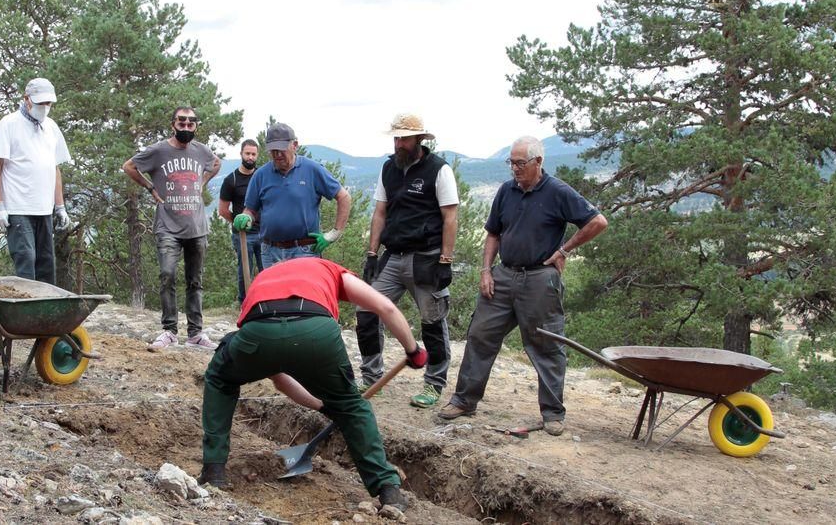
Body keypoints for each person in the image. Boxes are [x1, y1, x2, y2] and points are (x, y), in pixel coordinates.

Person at [199, 256, 427, 511]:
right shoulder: (332, 270)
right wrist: (413, 350)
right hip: (317, 335)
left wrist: (321, 406)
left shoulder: (266, 277)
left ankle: (213, 471)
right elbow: (385, 307)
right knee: (351, 406)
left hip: (259, 334)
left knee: (220, 378)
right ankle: (388, 491)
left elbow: (278, 376)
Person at [437, 136, 608, 436]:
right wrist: (485, 271)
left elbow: (597, 222)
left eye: (520, 163)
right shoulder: (506, 191)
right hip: (503, 276)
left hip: (540, 279)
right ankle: (464, 400)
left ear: (538, 162)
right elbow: (493, 233)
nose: (515, 169)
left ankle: (553, 414)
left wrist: (564, 250)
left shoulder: (557, 192)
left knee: (547, 345)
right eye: (511, 163)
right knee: (480, 336)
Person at [357, 113, 458, 409]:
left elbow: (450, 216)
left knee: (432, 320)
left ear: (419, 140)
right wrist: (372, 254)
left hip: (426, 258)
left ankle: (434, 384)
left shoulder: (439, 170)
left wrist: (445, 260)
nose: (399, 143)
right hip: (393, 255)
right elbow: (379, 212)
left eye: (404, 138)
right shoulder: (389, 168)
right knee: (366, 310)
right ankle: (371, 376)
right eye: (396, 138)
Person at [122, 106, 221, 351]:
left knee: (195, 281)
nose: (186, 127)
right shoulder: (158, 150)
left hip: (197, 226)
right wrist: (150, 189)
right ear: (173, 124)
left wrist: (202, 182)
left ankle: (196, 333)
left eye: (191, 123)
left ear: (196, 125)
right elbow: (129, 167)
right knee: (167, 275)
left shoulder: (201, 151)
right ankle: (169, 330)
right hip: (167, 227)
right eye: (181, 122)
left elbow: (216, 163)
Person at [0, 77, 72, 285]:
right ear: (27, 99)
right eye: (40, 103)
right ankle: (25, 313)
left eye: (48, 104)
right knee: (26, 259)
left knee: (46, 263)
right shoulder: (9, 124)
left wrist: (60, 207)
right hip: (18, 208)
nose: (44, 107)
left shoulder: (51, 127)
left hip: (44, 209)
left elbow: (55, 168)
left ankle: (45, 313)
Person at [232, 123, 351, 266]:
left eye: (281, 149)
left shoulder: (312, 169)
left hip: (305, 251)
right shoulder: (260, 175)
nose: (277, 154)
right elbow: (250, 209)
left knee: (304, 290)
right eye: (273, 150)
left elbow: (344, 197)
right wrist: (247, 217)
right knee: (273, 289)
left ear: (294, 145)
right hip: (270, 252)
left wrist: (334, 233)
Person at [217, 139, 264, 300]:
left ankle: (268, 306)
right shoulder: (231, 180)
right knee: (245, 272)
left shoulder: (261, 176)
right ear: (241, 154)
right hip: (243, 235)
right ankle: (245, 305)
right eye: (247, 153)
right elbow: (222, 210)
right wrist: (239, 223)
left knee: (268, 271)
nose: (250, 157)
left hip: (265, 233)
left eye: (253, 154)